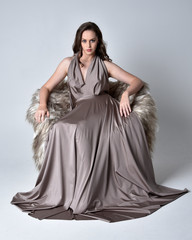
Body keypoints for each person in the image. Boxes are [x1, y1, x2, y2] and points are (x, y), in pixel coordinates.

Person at [11, 21, 188, 223]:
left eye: (92, 40)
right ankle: (63, 190)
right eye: (84, 40)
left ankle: (87, 193)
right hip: (80, 110)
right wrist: (42, 104)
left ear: (98, 42)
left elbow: (136, 81)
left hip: (104, 109)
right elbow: (46, 87)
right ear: (78, 42)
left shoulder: (105, 65)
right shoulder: (67, 63)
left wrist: (125, 95)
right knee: (60, 128)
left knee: (80, 130)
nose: (88, 45)